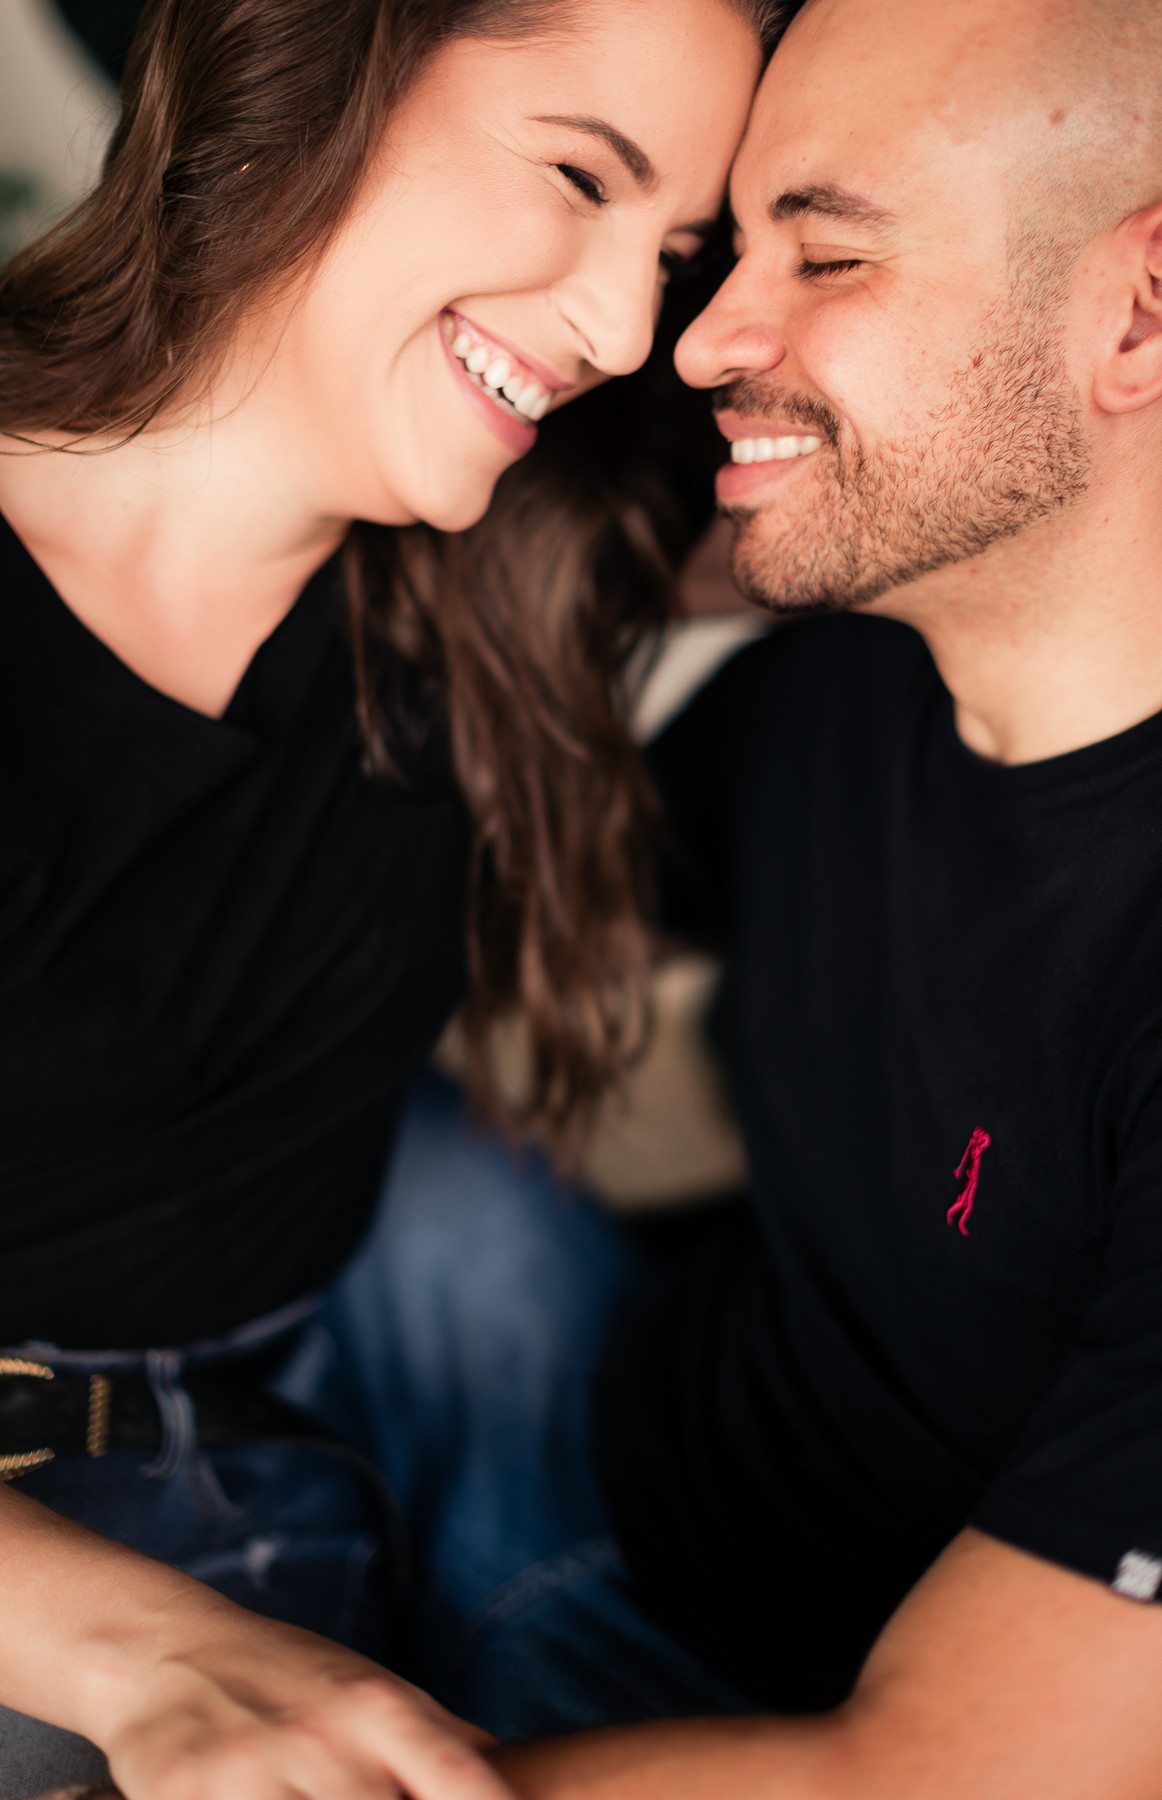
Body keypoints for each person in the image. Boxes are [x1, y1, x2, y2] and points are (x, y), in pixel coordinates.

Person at [298, 0, 1162, 1793]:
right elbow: (456, 892)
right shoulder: (867, 651)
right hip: (605, 1404)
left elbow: (938, 1776)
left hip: (749, 1715)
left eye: (829, 254)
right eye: (724, 253)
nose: (698, 338)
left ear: (1150, 308)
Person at [0, 0, 770, 1793]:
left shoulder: (518, 536)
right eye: (578, 175)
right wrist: (143, 1658)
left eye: (674, 252)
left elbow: (938, 480)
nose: (624, 330)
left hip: (377, 1388)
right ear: (303, 62)